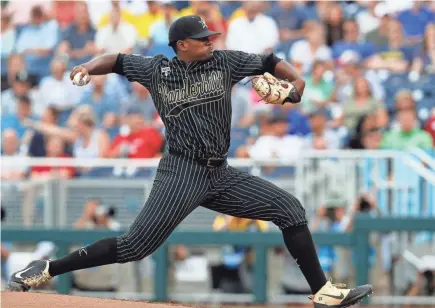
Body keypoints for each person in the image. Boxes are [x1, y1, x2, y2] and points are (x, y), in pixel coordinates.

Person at [8, 15, 372, 308]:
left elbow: (271, 61)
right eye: (202, 37)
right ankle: (49, 267)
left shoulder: (225, 62)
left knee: (290, 209)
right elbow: (116, 60)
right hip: (182, 171)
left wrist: (295, 87)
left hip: (221, 173)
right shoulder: (157, 70)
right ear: (182, 45)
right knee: (135, 247)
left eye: (210, 35)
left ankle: (322, 292)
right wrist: (88, 65)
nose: (210, 39)